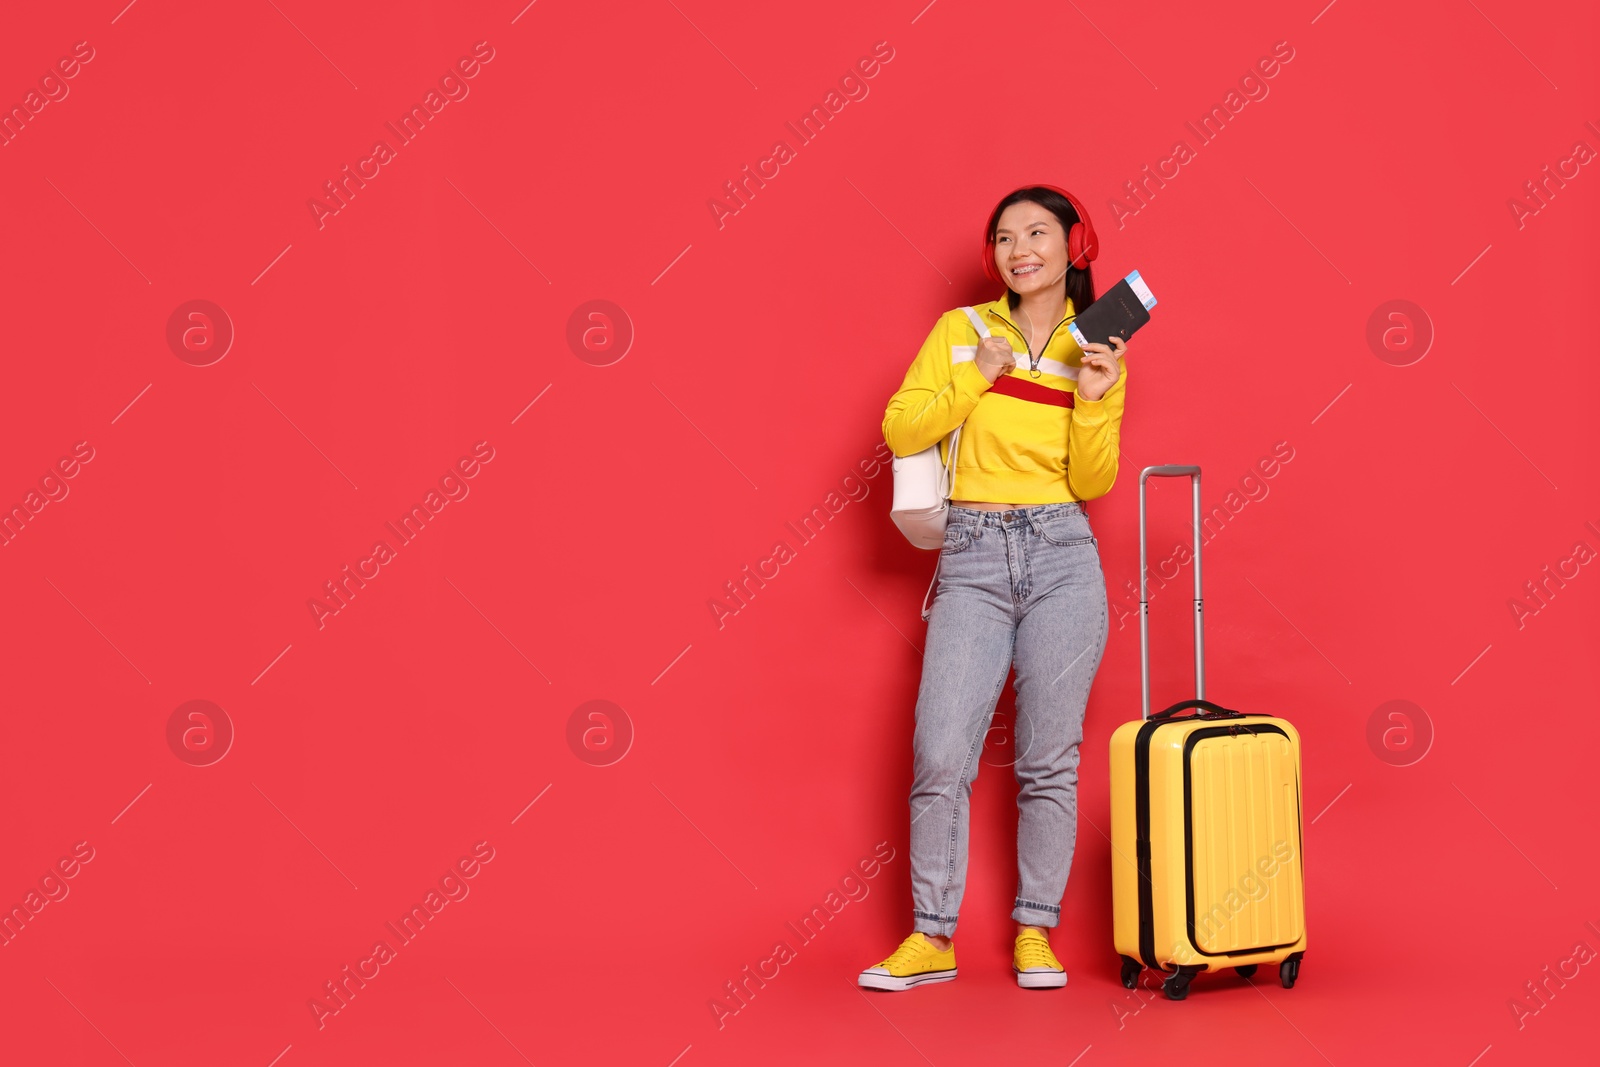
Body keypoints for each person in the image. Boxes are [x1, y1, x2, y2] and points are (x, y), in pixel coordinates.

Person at [859, 185, 1129, 991]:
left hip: (1063, 554)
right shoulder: (962, 331)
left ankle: (1035, 931)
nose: (1021, 250)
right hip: (974, 554)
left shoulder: (1102, 343)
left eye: (1038, 233)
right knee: (941, 750)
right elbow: (902, 428)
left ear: (1074, 245)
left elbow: (1096, 479)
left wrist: (1092, 402)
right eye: (1005, 238)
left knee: (1050, 758)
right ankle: (931, 937)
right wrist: (975, 377)